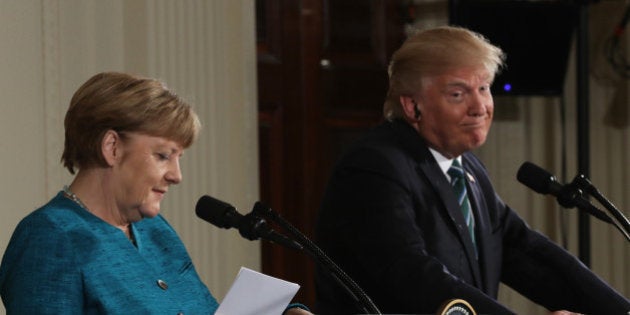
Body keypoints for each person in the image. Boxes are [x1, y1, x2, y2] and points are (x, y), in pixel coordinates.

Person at [315, 26, 630, 315]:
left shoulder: (467, 170)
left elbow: (526, 252)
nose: (480, 106)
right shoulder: (374, 168)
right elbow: (415, 278)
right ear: (412, 106)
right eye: (458, 94)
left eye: (484, 88)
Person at [0, 72, 311, 314]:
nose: (176, 175)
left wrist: (287, 314)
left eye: (178, 158)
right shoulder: (49, 238)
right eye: (163, 155)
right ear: (112, 147)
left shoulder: (154, 230)